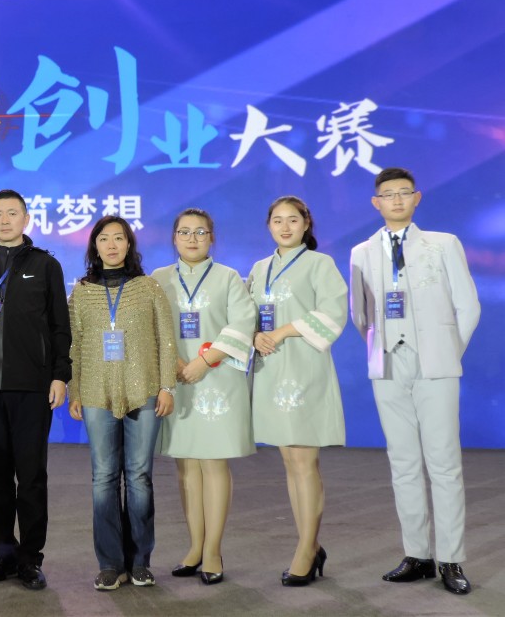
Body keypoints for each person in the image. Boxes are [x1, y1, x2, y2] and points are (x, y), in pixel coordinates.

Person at [349, 167, 480, 596]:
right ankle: (417, 554)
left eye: (404, 193)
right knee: (402, 461)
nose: (397, 200)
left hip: (436, 363)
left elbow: (468, 306)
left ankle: (450, 558)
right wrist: (380, 349)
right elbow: (359, 314)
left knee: (444, 463)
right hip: (388, 363)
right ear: (376, 203)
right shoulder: (361, 252)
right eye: (388, 194)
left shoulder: (443, 244)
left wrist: (447, 351)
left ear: (417, 198)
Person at [0, 189, 72, 590]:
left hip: (33, 388)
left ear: (26, 219)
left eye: (12, 213)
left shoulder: (46, 265)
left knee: (32, 476)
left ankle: (30, 559)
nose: (5, 220)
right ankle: (2, 554)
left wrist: (60, 375)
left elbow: (60, 326)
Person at [67, 215, 177, 591]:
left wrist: (167, 386)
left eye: (119, 238)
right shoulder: (82, 291)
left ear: (129, 245)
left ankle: (141, 561)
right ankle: (110, 564)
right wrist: (75, 390)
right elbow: (75, 344)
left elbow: (165, 338)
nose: (111, 245)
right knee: (103, 478)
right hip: (96, 392)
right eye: (104, 238)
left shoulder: (148, 287)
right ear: (94, 246)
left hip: (144, 390)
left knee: (139, 477)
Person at [151, 209, 256, 586]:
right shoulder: (158, 278)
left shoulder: (229, 277)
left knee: (213, 465)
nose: (192, 238)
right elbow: (150, 326)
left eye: (200, 232)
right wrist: (178, 363)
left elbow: (243, 324)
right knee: (186, 468)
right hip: (176, 380)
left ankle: (213, 550)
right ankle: (195, 547)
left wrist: (204, 361)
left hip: (218, 379)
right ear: (174, 238)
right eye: (184, 232)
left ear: (212, 237)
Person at [247, 195, 346, 587]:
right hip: (270, 368)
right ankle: (311, 543)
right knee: (290, 463)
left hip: (305, 367)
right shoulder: (260, 268)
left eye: (293, 219)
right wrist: (255, 334)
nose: (285, 227)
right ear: (268, 225)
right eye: (277, 220)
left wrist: (282, 331)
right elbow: (246, 313)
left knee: (305, 462)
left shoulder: (320, 264)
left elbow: (333, 314)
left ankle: (306, 548)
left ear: (306, 223)